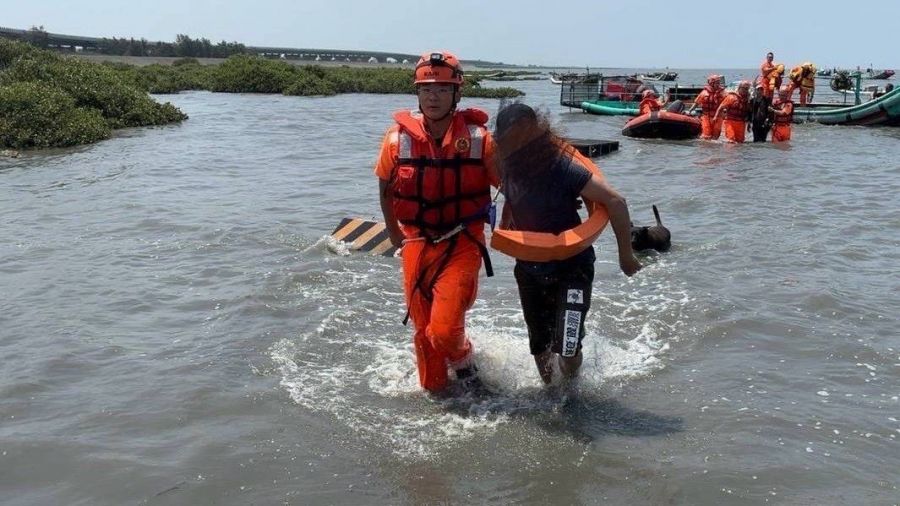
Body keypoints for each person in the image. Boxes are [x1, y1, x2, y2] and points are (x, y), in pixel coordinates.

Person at [491, 103, 642, 385]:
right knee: (539, 345)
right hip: (529, 268)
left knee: (568, 345)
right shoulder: (505, 164)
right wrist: (505, 227)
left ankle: (570, 390)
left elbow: (616, 202)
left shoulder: (560, 167)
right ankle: (550, 392)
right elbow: (512, 198)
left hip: (572, 267)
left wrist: (626, 256)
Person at [374, 50, 498, 393]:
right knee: (422, 328)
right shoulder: (396, 140)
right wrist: (393, 234)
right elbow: (385, 187)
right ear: (417, 93)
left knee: (442, 331)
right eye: (426, 89)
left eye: (442, 89)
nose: (433, 96)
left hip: (463, 241)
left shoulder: (482, 141)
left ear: (457, 93)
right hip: (416, 240)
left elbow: (511, 189)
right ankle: (437, 394)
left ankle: (464, 360)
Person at [688, 74, 725, 140]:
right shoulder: (704, 93)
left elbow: (728, 103)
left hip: (718, 117)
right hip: (706, 116)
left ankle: (714, 149)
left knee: (716, 136)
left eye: (719, 83)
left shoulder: (723, 93)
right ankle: (705, 149)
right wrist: (689, 111)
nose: (718, 84)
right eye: (717, 83)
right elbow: (696, 103)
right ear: (711, 83)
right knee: (706, 136)